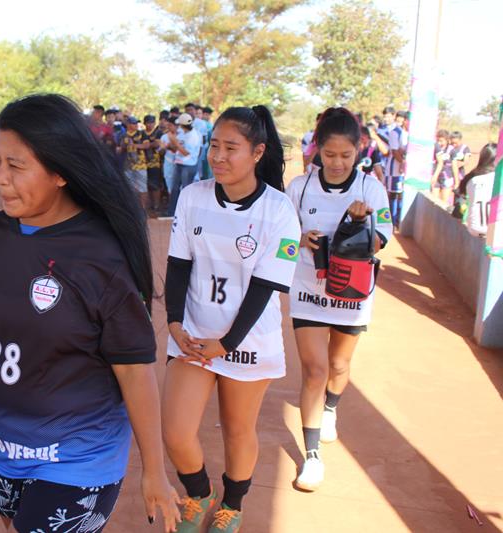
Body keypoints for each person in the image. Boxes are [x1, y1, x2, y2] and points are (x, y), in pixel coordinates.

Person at [0, 94, 180, 533]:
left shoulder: (101, 257)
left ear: (60, 172)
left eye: (16, 166)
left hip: (80, 456)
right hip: (3, 446)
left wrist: (154, 469)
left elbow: (135, 372)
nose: (0, 178)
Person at [163, 105, 300, 532]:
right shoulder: (192, 196)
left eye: (231, 148)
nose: (218, 156)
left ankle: (232, 506)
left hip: (247, 341)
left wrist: (228, 343)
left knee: (239, 430)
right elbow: (178, 266)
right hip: (194, 335)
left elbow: (265, 287)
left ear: (258, 152)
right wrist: (174, 323)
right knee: (175, 432)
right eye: (214, 146)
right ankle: (199, 494)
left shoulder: (278, 211)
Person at [286, 107, 392, 492]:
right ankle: (312, 457)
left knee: (339, 364)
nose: (337, 163)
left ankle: (331, 406)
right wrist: (299, 239)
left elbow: (385, 236)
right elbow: (280, 233)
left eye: (345, 155)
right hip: (309, 289)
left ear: (359, 150)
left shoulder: (370, 188)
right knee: (314, 370)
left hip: (352, 290)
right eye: (330, 154)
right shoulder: (298, 187)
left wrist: (360, 227)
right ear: (317, 149)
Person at [166, 113, 202, 217]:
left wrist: (174, 142)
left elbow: (186, 153)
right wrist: (171, 144)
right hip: (179, 163)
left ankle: (187, 213)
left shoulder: (193, 136)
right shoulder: (182, 133)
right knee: (175, 188)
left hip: (188, 165)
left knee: (186, 189)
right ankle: (172, 212)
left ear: (182, 124)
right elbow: (177, 148)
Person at [457, 143, 497, 237]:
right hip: (493, 232)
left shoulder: (470, 177)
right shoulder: (498, 178)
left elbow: (459, 207)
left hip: (473, 229)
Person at [122, 116, 151, 207]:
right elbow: (120, 149)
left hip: (140, 165)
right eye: (133, 123)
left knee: (142, 188)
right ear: (128, 124)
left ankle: (143, 210)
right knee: (129, 188)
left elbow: (147, 145)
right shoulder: (123, 135)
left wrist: (134, 145)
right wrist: (122, 147)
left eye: (136, 123)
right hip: (127, 166)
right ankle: (132, 209)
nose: (136, 125)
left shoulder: (141, 133)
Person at [144, 114, 164, 214]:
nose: (150, 124)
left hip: (155, 163)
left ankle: (156, 205)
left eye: (152, 122)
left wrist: (146, 145)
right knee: (147, 185)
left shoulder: (158, 132)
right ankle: (150, 205)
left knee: (155, 185)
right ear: (145, 123)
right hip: (143, 163)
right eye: (148, 122)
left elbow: (157, 144)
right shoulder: (142, 132)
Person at [432, 129, 455, 205]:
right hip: (436, 176)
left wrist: (457, 181)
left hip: (447, 177)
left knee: (443, 202)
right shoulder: (435, 148)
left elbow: (454, 166)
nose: (439, 143)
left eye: (441, 141)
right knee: (434, 200)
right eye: (438, 140)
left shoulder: (451, 150)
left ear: (447, 140)